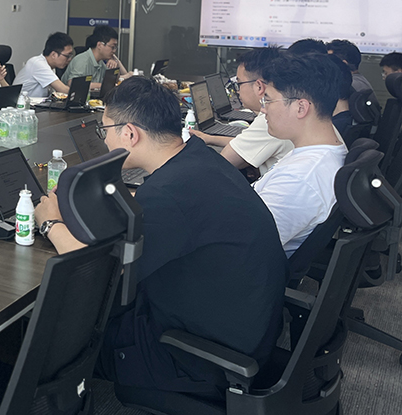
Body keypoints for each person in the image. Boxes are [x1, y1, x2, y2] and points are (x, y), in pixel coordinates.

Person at [35, 77, 286, 399]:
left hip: (196, 360)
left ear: (130, 133)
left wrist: (50, 222)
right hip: (245, 329)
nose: (105, 139)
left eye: (105, 130)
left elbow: (100, 274)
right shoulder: (198, 160)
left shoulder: (169, 195)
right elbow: (175, 213)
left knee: (50, 335)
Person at [254, 51, 348, 256]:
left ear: (301, 108)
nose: (263, 110)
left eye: (268, 101)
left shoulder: (298, 180)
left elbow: (241, 247)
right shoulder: (329, 147)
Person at [190, 47, 291, 178]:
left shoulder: (270, 120)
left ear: (259, 86)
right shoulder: (285, 109)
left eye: (239, 84)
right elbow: (244, 143)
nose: (237, 91)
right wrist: (210, 139)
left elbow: (223, 162)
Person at [62, 25, 131, 92]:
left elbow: (113, 81)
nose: (114, 51)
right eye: (112, 47)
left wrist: (115, 64)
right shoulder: (82, 60)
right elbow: (72, 83)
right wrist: (101, 85)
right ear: (99, 45)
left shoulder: (100, 62)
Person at [13, 32, 77, 99]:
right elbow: (64, 90)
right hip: (21, 104)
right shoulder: (37, 64)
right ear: (53, 55)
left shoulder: (51, 67)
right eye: (67, 56)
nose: (69, 59)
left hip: (37, 103)